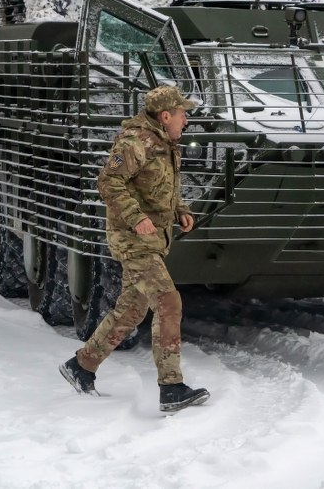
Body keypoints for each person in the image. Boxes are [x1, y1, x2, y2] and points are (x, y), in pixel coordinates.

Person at [59, 85, 210, 413]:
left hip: (152, 240)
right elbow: (109, 182)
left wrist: (181, 209)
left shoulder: (165, 144)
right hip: (134, 240)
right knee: (168, 303)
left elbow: (159, 188)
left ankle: (81, 366)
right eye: (183, 114)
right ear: (166, 115)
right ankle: (171, 388)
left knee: (131, 310)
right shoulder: (136, 142)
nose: (187, 121)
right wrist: (136, 217)